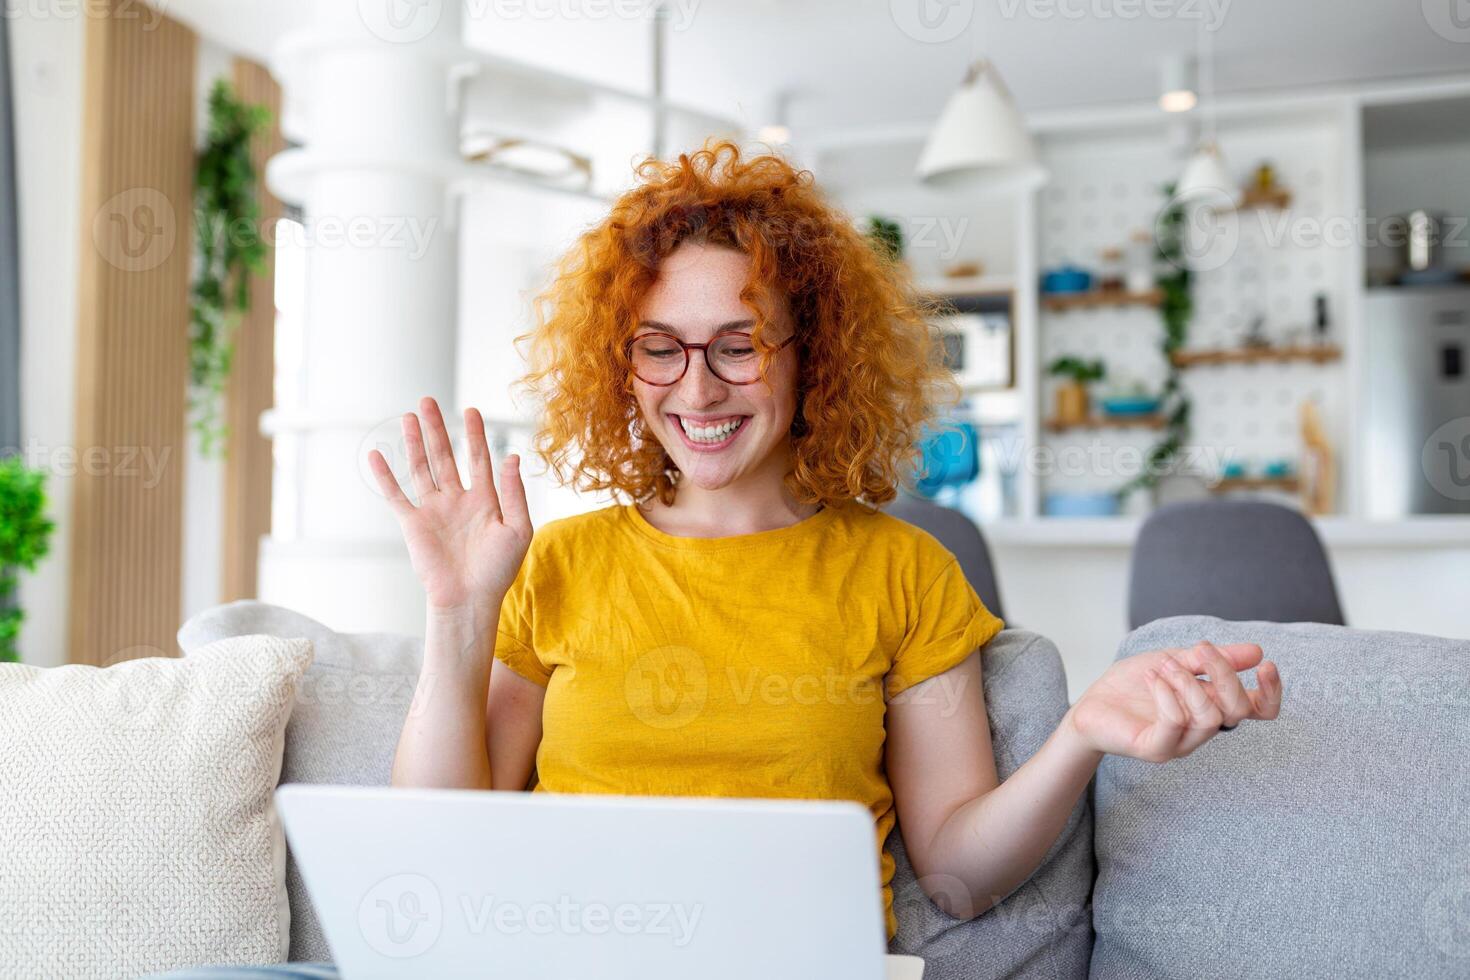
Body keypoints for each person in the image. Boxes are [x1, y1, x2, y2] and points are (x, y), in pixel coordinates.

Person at [149, 140, 1281, 977]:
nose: (698, 388)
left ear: (809, 355)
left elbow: (955, 871)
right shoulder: (563, 561)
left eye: (738, 343)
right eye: (662, 348)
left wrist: (1084, 730)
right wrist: (457, 609)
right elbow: (436, 841)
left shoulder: (902, 570)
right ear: (623, 364)